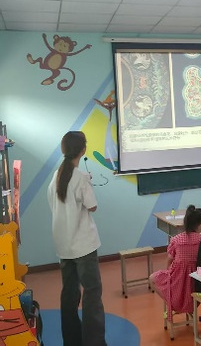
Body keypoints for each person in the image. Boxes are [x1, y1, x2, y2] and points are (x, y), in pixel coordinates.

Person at [47, 130, 107, 346]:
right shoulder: (80, 177)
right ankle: (94, 342)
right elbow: (93, 206)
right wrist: (86, 184)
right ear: (83, 150)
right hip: (83, 245)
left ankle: (72, 341)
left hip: (64, 245)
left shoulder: (57, 175)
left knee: (69, 294)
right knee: (92, 293)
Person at [150, 205, 201, 321]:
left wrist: (168, 272)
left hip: (177, 279)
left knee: (152, 279)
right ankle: (189, 307)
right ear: (199, 225)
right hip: (195, 281)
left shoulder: (176, 239)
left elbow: (170, 259)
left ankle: (172, 303)